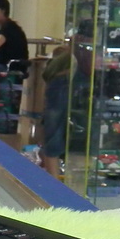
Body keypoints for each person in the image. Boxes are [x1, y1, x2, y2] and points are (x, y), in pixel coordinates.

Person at [41, 45, 72, 179]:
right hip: (64, 91)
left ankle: (53, 180)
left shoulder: (55, 70)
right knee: (57, 138)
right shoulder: (75, 58)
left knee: (53, 138)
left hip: (57, 93)